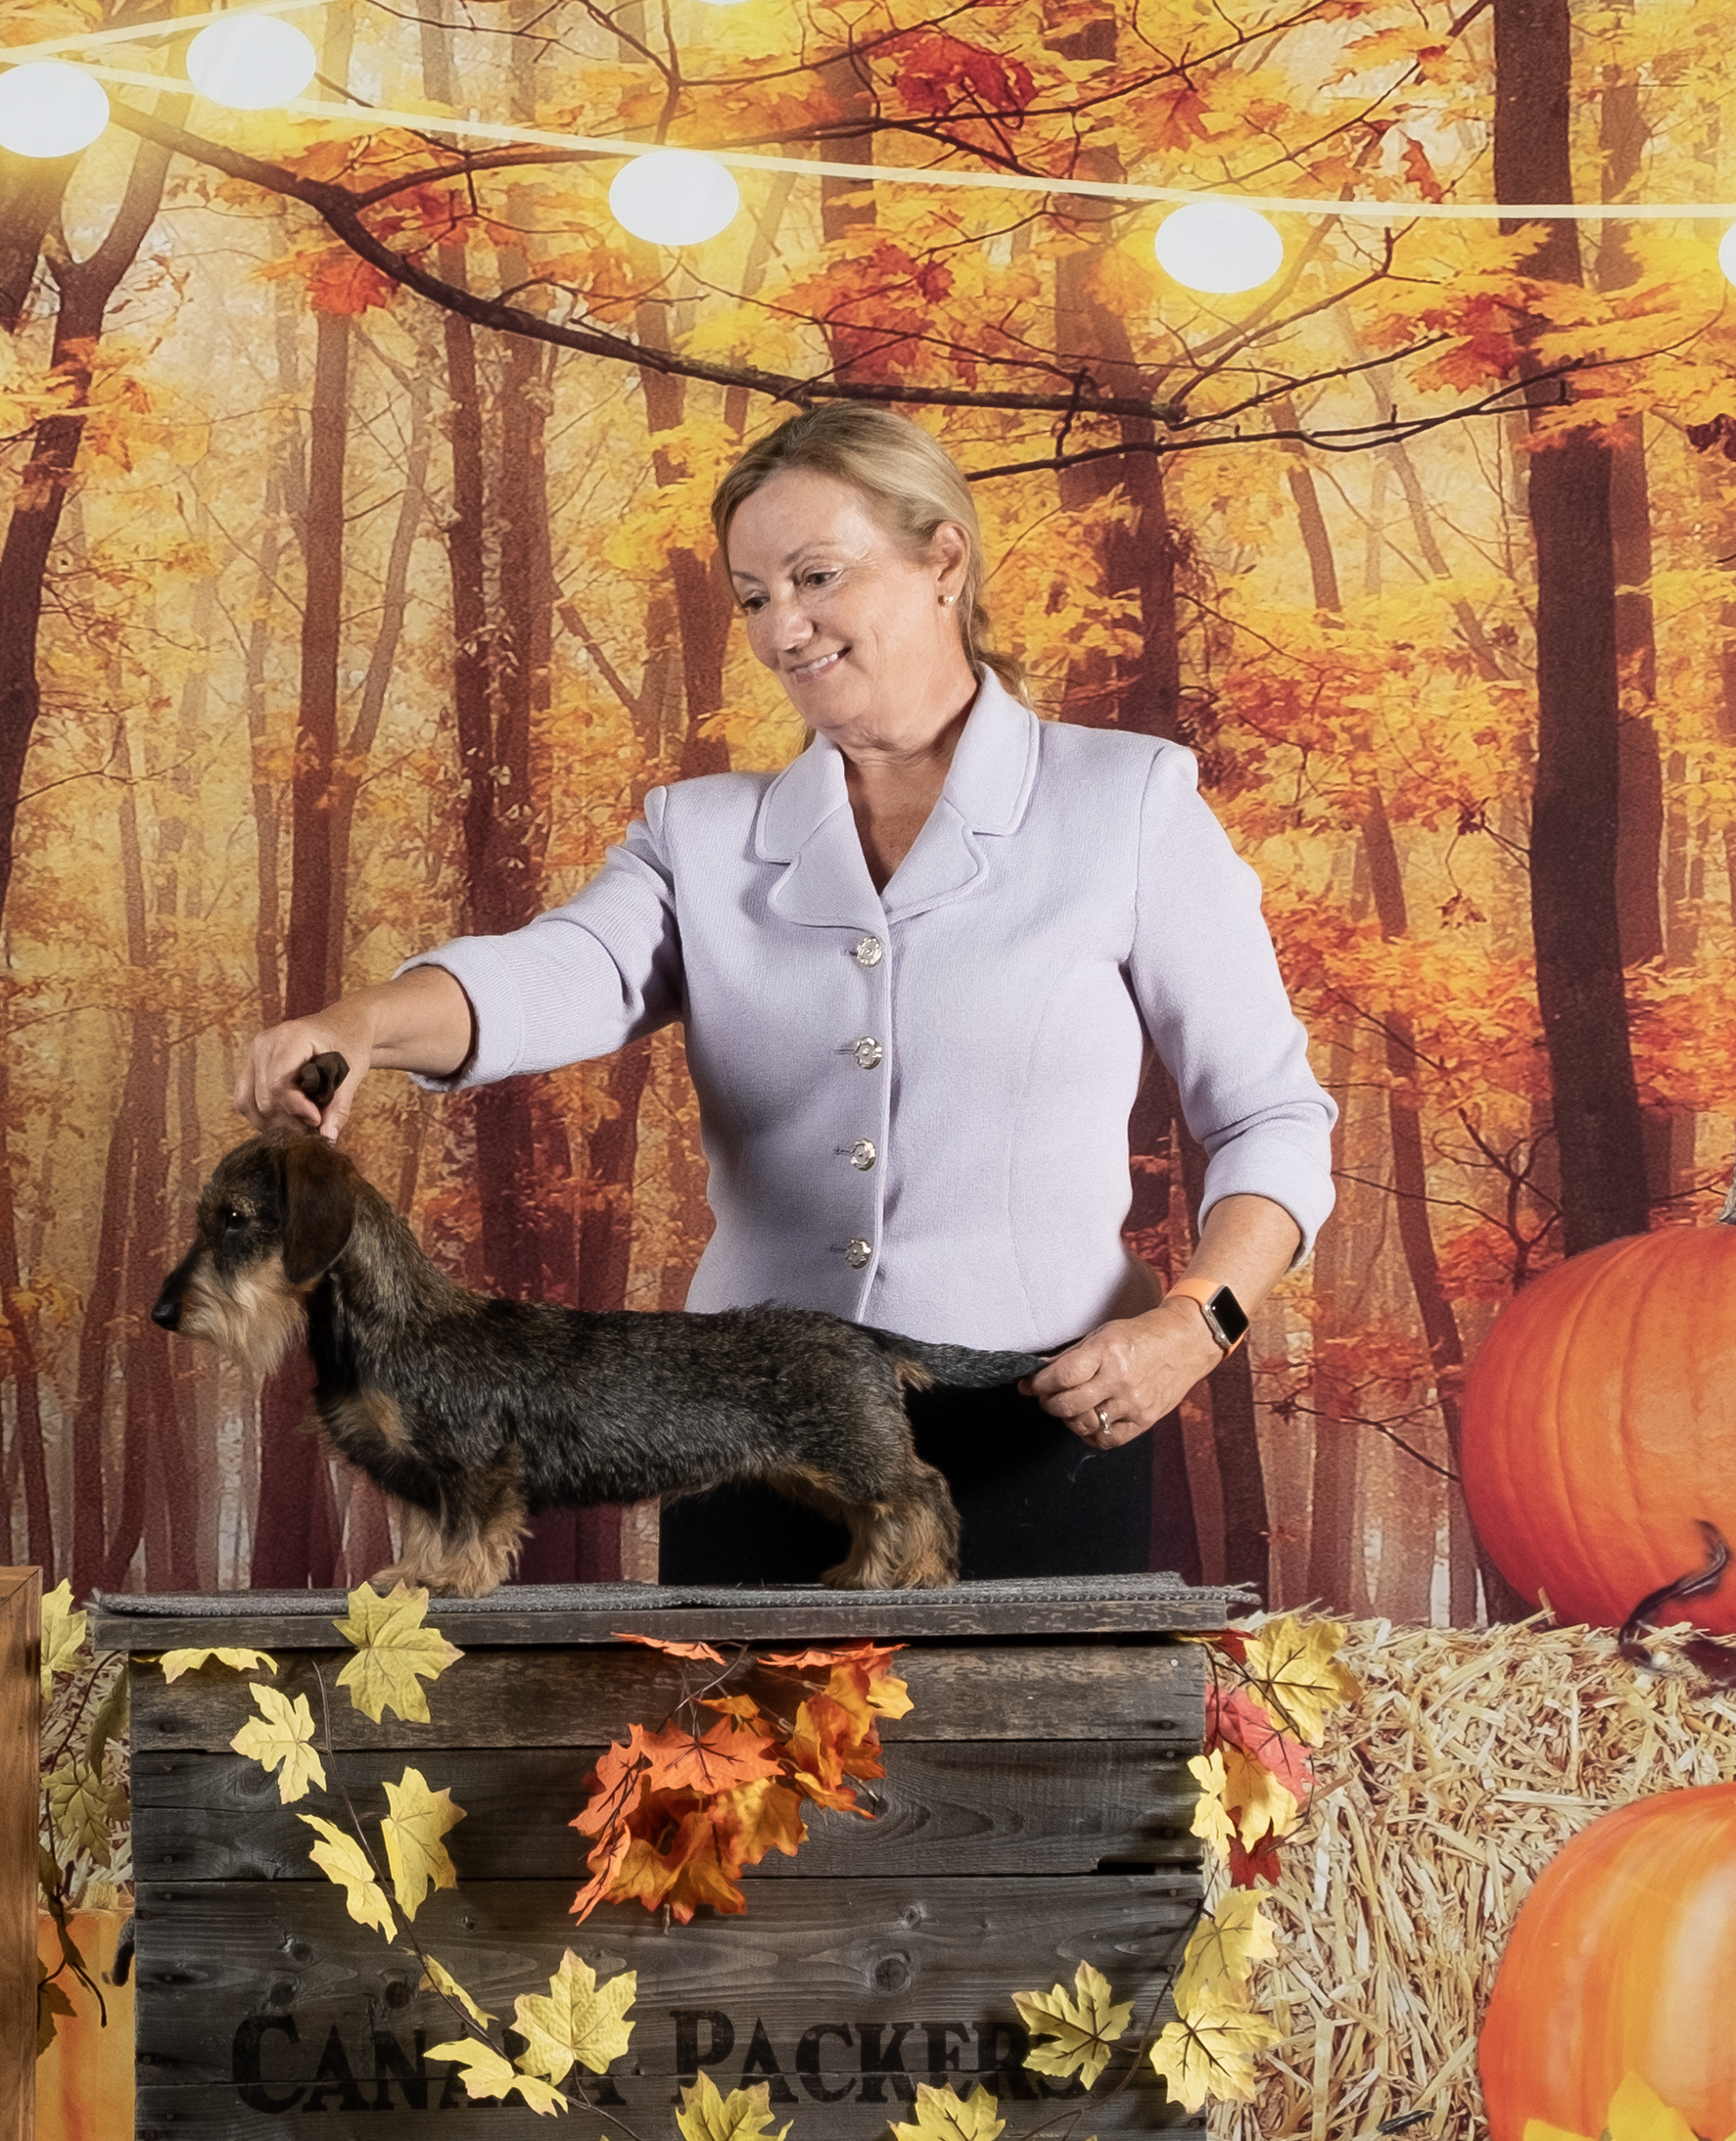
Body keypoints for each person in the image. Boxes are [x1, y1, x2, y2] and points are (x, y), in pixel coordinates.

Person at [237, 400, 1331, 1583]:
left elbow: (1270, 1116)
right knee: (727, 1771)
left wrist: (1194, 1325)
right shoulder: (700, 832)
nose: (782, 628)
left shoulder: (1128, 805)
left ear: (943, 561)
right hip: (737, 1432)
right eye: (754, 595)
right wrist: (362, 1026)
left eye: (817, 576)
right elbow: (574, 969)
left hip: (1048, 1424)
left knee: (1017, 1775)